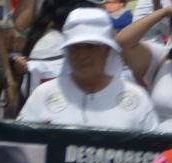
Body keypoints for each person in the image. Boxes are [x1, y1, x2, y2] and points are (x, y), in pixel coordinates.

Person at [13, 9, 160, 133]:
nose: (82, 55)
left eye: (90, 46)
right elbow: (22, 143)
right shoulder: (43, 95)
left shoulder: (137, 99)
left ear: (107, 51)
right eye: (75, 47)